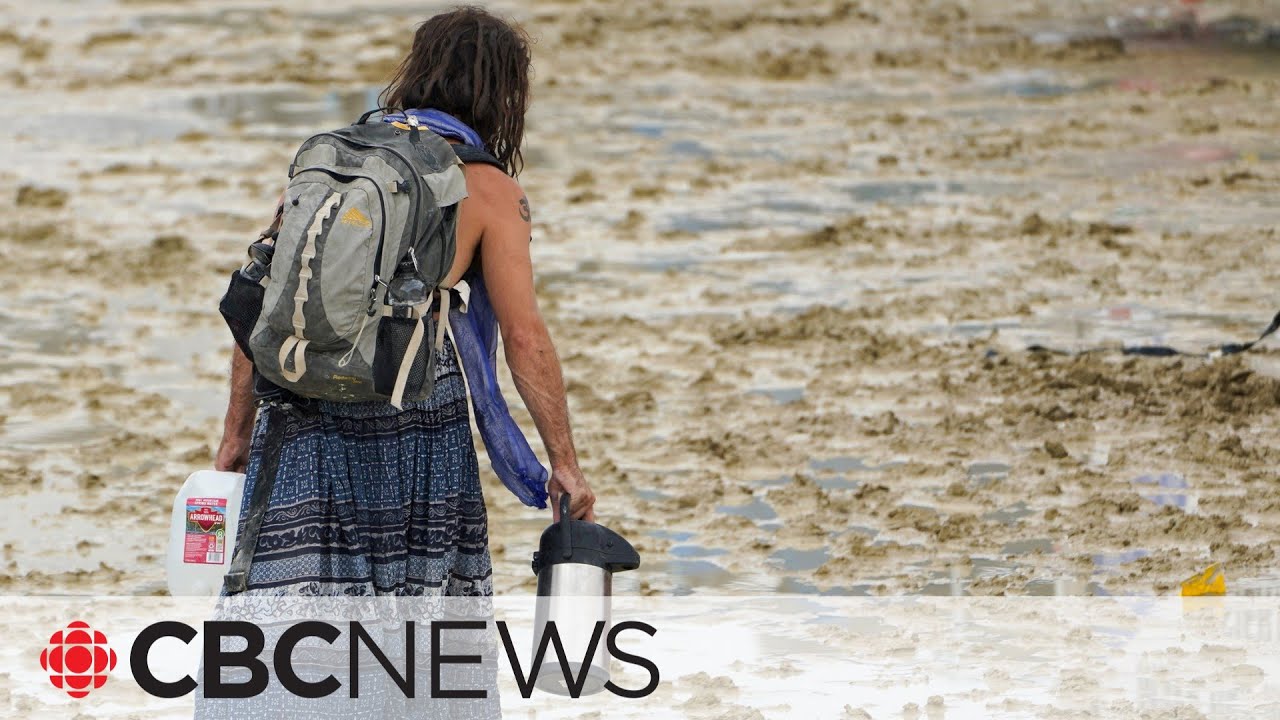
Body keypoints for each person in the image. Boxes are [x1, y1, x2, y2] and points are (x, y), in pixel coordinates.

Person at [213, 6, 596, 599]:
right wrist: (564, 465)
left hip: (300, 405)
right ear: (504, 95)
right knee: (415, 621)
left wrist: (236, 437)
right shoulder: (491, 190)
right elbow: (525, 337)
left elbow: (270, 305)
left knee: (294, 611)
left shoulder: (335, 162)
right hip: (412, 403)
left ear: (416, 71)